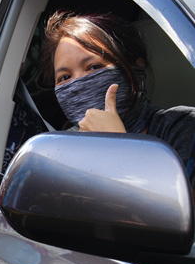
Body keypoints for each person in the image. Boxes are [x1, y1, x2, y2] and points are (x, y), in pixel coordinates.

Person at [41, 10, 195, 183]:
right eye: (65, 77)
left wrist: (117, 147)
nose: (77, 85)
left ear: (137, 69)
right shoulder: (61, 151)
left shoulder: (182, 126)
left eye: (94, 67)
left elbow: (171, 199)